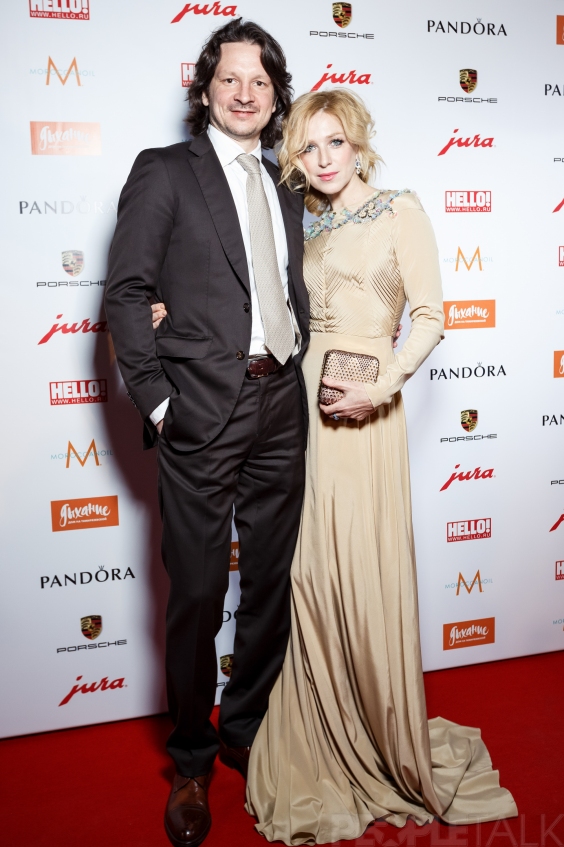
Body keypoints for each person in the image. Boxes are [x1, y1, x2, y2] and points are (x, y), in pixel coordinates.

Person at [242, 90, 518, 844]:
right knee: (309, 569)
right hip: (301, 405)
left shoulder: (402, 211)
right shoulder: (304, 221)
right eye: (308, 147)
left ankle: (373, 728)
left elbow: (429, 315)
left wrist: (384, 386)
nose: (323, 158)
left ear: (359, 144)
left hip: (366, 408)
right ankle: (320, 726)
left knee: (360, 568)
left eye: (335, 142)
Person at [104, 19, 311, 847]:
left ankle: (245, 727)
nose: (245, 93)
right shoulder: (164, 172)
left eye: (260, 81)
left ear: (275, 96)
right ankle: (191, 758)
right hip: (200, 414)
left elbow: (282, 290)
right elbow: (127, 293)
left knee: (269, 582)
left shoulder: (286, 183)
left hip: (282, 403)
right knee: (195, 593)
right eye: (230, 78)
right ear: (204, 88)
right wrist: (161, 404)